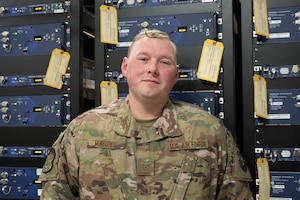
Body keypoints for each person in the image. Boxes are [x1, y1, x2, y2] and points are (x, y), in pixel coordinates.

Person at [39, 29, 253, 199]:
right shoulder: (84, 130)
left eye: (164, 62)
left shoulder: (209, 132)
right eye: (143, 59)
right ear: (125, 67)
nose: (152, 68)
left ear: (176, 75)